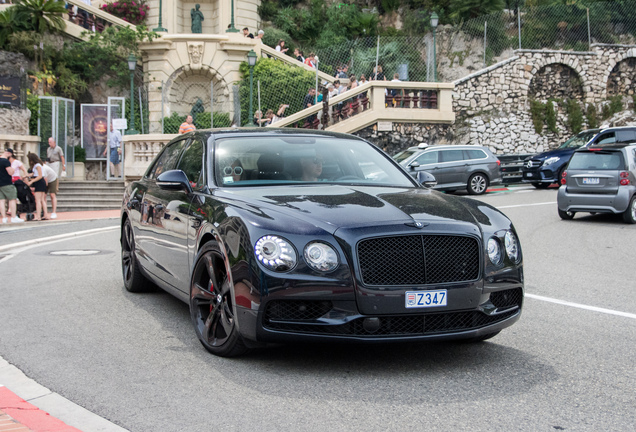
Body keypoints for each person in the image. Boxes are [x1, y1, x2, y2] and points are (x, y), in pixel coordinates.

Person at [0, 151, 24, 223]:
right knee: (12, 199)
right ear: (9, 154)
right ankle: (13, 217)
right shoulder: (5, 161)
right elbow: (10, 172)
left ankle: (4, 218)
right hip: (7, 183)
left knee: (1, 201)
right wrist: (13, 168)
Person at [25, 153, 49, 221]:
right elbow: (34, 173)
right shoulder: (38, 165)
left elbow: (39, 175)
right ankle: (45, 214)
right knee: (42, 200)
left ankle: (38, 216)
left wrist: (31, 181)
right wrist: (27, 176)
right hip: (41, 182)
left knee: (38, 200)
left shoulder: (37, 165)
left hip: (39, 182)